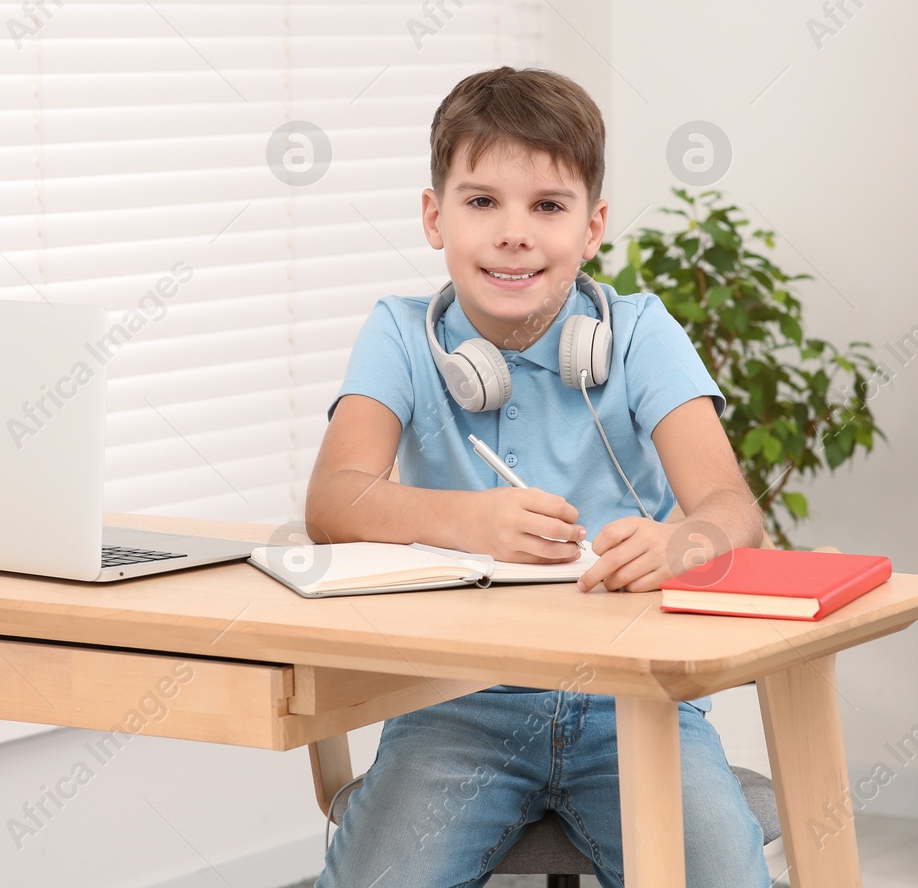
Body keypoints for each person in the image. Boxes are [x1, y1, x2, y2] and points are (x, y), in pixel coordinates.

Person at [305, 66, 777, 887]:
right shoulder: (398, 336)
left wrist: (684, 541)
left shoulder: (638, 335)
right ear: (434, 216)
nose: (513, 232)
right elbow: (332, 500)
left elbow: (735, 511)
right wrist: (468, 521)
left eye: (547, 206)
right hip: (457, 704)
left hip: (634, 703)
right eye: (481, 201)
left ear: (592, 227)